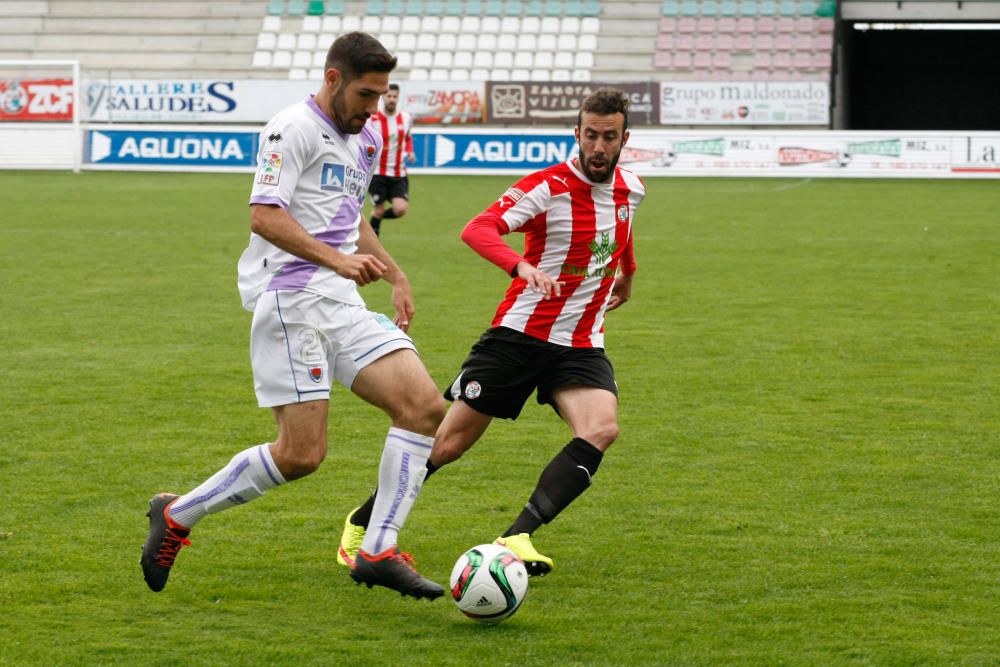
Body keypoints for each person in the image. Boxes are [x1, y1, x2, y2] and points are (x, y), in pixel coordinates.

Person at [140, 32, 447, 600]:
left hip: (341, 300)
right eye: (364, 94)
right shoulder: (291, 128)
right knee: (302, 455)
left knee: (424, 407)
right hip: (291, 302)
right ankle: (178, 514)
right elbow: (264, 216)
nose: (373, 107)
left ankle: (377, 549)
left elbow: (351, 218)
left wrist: (394, 272)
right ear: (332, 79)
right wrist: (337, 261)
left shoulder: (366, 137)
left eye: (380, 95)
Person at [338, 87, 644, 578]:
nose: (599, 147)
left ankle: (516, 536)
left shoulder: (632, 188)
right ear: (577, 134)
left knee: (602, 428)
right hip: (519, 336)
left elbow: (621, 230)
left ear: (624, 138)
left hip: (582, 340)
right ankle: (362, 523)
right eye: (591, 135)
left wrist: (627, 272)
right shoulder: (549, 187)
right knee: (447, 445)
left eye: (609, 137)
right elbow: (479, 228)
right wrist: (520, 266)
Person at [366, 83, 415, 237]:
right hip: (378, 173)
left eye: (394, 97)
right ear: (383, 97)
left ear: (398, 98)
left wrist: (410, 151)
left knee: (400, 209)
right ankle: (373, 243)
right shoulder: (373, 119)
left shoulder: (405, 118)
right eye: (389, 96)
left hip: (398, 173)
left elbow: (408, 138)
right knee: (379, 209)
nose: (391, 100)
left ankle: (373, 221)